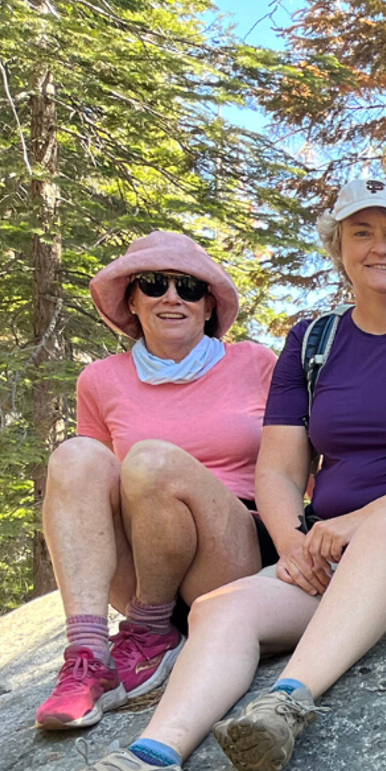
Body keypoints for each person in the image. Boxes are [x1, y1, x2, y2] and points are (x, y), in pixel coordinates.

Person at [1, 178, 386, 771]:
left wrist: (350, 525)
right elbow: (277, 466)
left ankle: (285, 703)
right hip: (330, 557)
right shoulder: (314, 342)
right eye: (362, 232)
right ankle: (151, 761)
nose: (379, 248)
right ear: (339, 248)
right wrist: (294, 543)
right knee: (221, 608)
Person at [32, 231, 277, 731]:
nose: (171, 296)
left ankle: (150, 632)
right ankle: (87, 656)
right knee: (76, 455)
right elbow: (90, 494)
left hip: (230, 559)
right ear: (132, 301)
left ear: (209, 306)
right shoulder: (99, 379)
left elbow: (295, 465)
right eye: (153, 283)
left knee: (150, 461)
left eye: (189, 287)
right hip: (144, 566)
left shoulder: (256, 363)